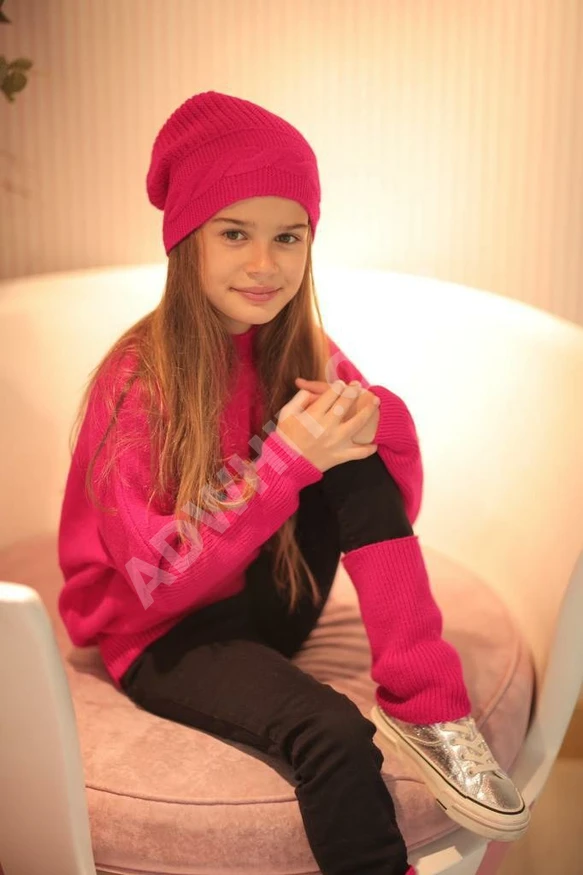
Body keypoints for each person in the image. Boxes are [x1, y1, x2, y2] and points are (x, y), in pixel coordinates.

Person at [57, 91, 528, 875]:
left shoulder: (300, 345)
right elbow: (153, 581)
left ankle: (428, 707)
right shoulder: (135, 382)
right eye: (234, 233)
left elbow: (387, 508)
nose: (264, 264)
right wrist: (284, 462)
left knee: (350, 442)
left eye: (287, 236)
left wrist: (372, 418)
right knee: (333, 734)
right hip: (164, 634)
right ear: (186, 239)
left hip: (269, 596)